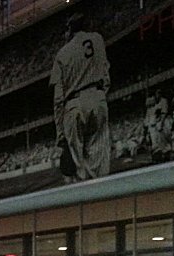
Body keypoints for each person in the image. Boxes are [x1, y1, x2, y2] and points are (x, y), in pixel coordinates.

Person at [49, 12, 111, 182]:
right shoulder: (98, 39)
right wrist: (99, 96)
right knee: (99, 162)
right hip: (98, 97)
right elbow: (106, 76)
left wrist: (61, 134)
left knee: (78, 169)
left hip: (74, 104)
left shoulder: (62, 54)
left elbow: (58, 99)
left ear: (69, 30)